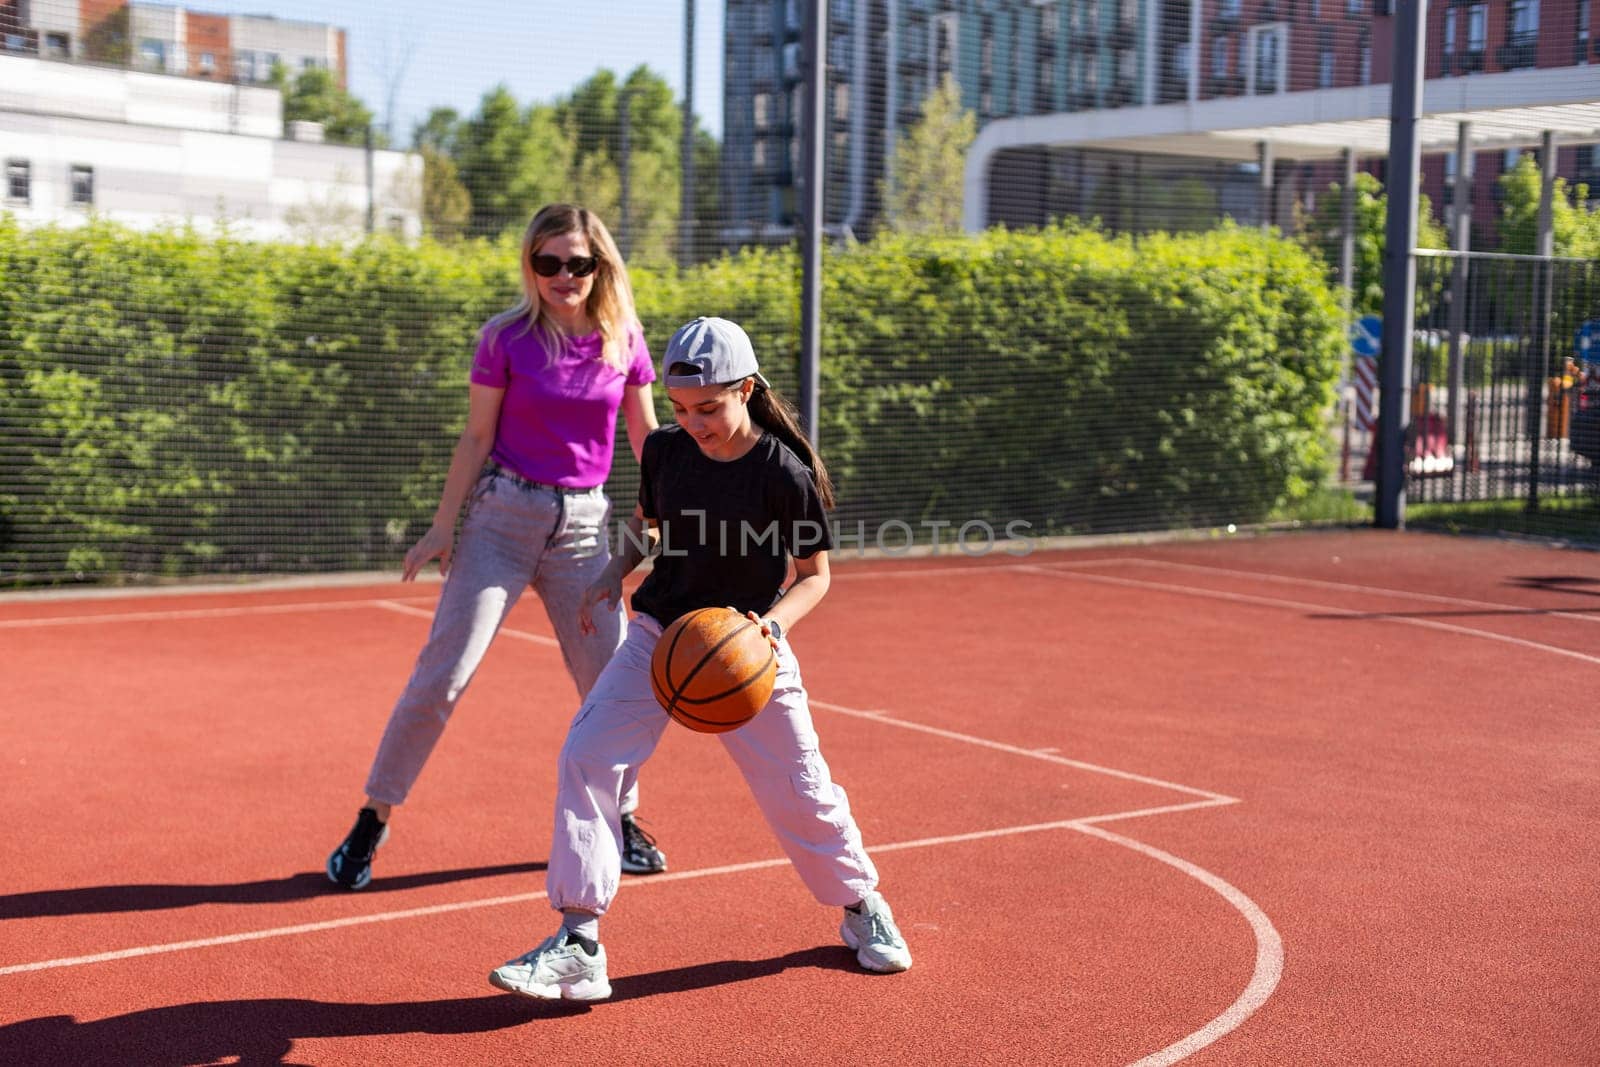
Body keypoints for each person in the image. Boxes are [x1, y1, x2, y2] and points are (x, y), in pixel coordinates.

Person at [487, 316, 912, 1002]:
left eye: (708, 409)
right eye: (682, 409)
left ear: (745, 389)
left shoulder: (783, 471)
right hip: (662, 632)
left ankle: (862, 906)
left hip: (746, 647)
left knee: (802, 787)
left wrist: (770, 629)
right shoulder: (665, 450)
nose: (694, 423)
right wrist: (609, 572)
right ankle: (578, 943)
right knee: (588, 753)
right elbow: (644, 524)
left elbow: (814, 575)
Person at [326, 204, 669, 890]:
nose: (563, 276)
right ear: (531, 265)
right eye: (548, 262)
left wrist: (661, 514)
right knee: (442, 675)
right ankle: (374, 816)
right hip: (500, 521)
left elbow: (647, 438)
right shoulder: (504, 337)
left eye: (578, 263)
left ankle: (622, 815)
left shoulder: (623, 339)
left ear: (600, 266)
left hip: (583, 530)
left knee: (613, 684)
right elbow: (476, 438)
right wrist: (442, 524)